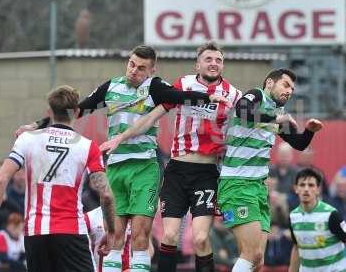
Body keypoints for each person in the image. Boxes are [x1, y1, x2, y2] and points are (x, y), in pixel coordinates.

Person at [15, 45, 225, 272]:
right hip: (116, 166)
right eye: (131, 64)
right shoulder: (111, 87)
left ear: (152, 70)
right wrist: (35, 125)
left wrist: (206, 96)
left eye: (141, 68)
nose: (134, 71)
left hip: (145, 166)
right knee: (114, 237)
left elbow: (180, 96)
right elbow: (77, 110)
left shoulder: (155, 87)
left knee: (140, 236)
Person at [100, 42, 242, 272]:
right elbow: (151, 117)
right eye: (208, 59)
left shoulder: (233, 95)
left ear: (223, 65)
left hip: (206, 174)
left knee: (200, 239)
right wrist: (120, 138)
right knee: (169, 235)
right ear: (198, 64)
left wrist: (280, 122)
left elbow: (253, 120)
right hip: (176, 171)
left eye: (218, 60)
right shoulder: (183, 85)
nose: (213, 63)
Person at [0, 85, 116, 272]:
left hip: (36, 232)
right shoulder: (88, 146)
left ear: (48, 112)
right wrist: (110, 230)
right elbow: (107, 195)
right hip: (71, 232)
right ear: (76, 112)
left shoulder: (27, 139)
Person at [217, 68, 323, 272]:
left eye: (292, 88)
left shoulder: (277, 114)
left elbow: (299, 144)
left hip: (258, 190)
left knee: (258, 261)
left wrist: (309, 131)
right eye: (285, 85)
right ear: (269, 83)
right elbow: (243, 111)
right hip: (236, 185)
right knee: (250, 254)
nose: (289, 91)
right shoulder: (256, 95)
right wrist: (276, 119)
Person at [289, 168, 346, 272]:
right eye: (302, 185)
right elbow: (296, 247)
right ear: (296, 188)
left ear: (318, 189)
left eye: (311, 185)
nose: (306, 189)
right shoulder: (293, 216)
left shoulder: (331, 214)